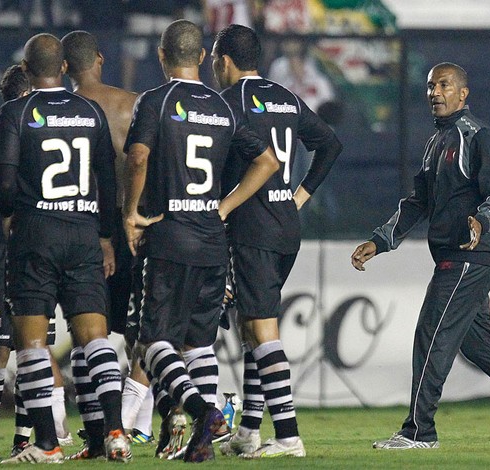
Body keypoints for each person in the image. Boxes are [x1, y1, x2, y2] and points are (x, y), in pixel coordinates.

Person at [351, 62, 490, 449]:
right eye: (431, 85)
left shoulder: (476, 135)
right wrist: (381, 240)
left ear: (463, 94)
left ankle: (419, 433)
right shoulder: (436, 143)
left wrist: (482, 221)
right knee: (477, 344)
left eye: (444, 85)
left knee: (431, 331)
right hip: (455, 254)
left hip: (469, 254)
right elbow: (418, 203)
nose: (435, 92)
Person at [122, 19, 279, 463]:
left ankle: (203, 413)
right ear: (200, 59)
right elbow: (267, 161)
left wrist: (132, 213)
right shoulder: (223, 107)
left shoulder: (155, 100)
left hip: (170, 236)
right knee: (198, 344)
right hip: (214, 240)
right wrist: (225, 206)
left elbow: (137, 156)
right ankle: (201, 442)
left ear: (161, 55)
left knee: (153, 343)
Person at [0, 33, 130, 463]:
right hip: (84, 232)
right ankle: (115, 431)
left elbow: (4, 182)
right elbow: (107, 182)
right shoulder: (90, 111)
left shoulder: (16, 111)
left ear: (26, 68)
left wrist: (6, 215)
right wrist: (106, 235)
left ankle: (47, 443)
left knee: (31, 342)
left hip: (36, 231)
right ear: (65, 68)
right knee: (94, 337)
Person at [210, 24, 341, 458]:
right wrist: (298, 196)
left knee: (263, 330)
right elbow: (330, 144)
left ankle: (287, 435)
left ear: (224, 61)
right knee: (252, 326)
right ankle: (248, 429)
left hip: (253, 228)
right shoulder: (285, 97)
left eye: (215, 59)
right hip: (286, 225)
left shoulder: (227, 103)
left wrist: (224, 206)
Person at [0, 65, 72, 462]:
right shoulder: (4, 135)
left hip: (15, 249)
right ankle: (11, 437)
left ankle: (5, 436)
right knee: (23, 346)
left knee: (14, 348)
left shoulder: (11, 133)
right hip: (21, 248)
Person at [61, 29, 155, 457]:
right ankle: (141, 421)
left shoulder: (64, 111)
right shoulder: (133, 103)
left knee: (87, 332)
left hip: (82, 228)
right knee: (141, 331)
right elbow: (146, 160)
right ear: (100, 58)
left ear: (65, 68)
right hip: (131, 224)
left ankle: (100, 431)